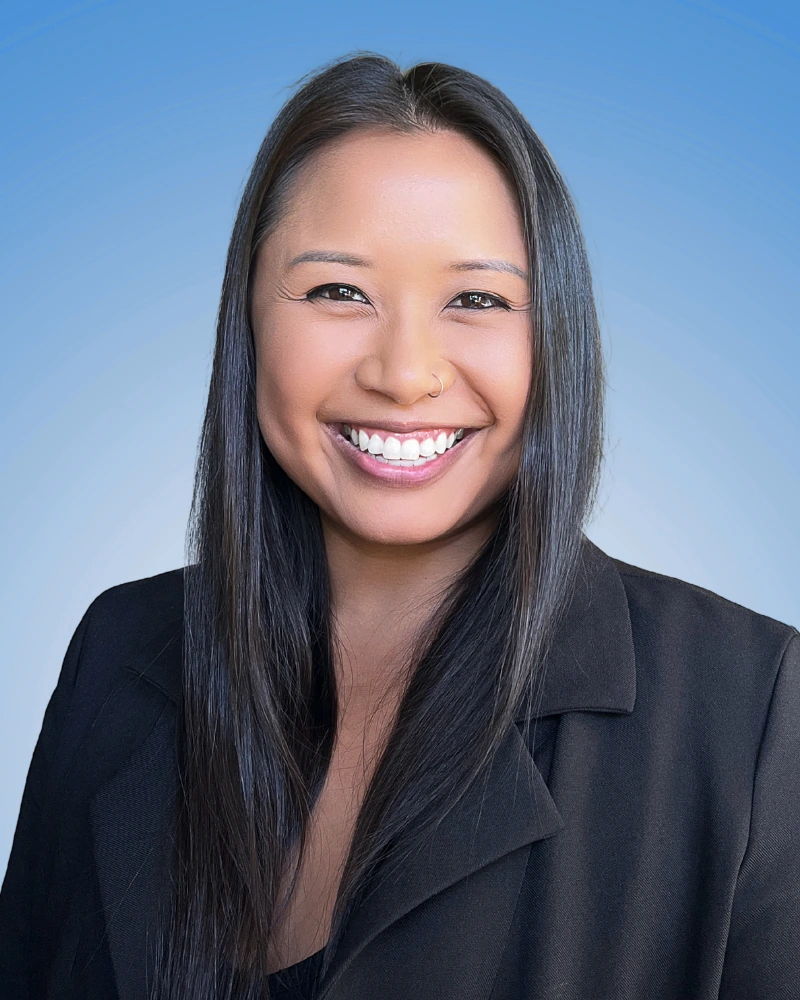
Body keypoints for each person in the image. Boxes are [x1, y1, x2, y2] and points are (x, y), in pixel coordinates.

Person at [0, 52, 797, 1000]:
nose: (405, 372)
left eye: (477, 300)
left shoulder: (753, 713)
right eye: (338, 291)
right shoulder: (118, 653)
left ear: (557, 338)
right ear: (247, 322)